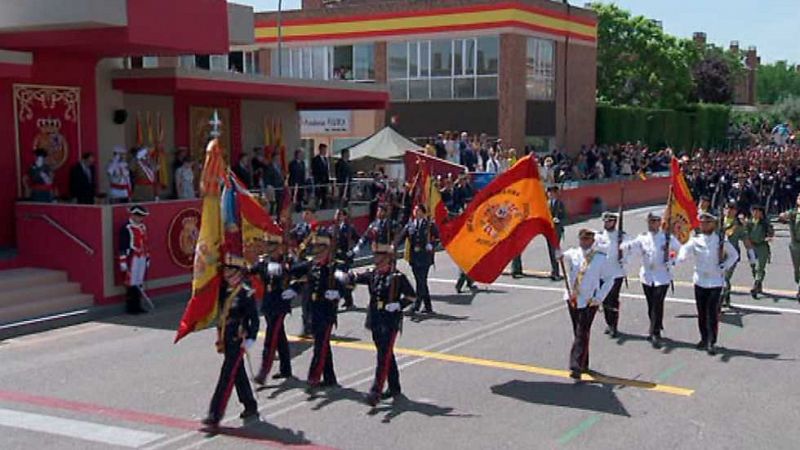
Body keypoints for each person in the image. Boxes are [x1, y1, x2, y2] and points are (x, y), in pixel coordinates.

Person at [351, 242, 416, 406]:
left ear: (387, 259)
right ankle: (394, 387)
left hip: (390, 321)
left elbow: (411, 297)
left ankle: (375, 392)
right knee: (386, 354)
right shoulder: (374, 275)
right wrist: (345, 276)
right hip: (375, 320)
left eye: (379, 257)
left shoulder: (397, 277)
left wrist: (398, 305)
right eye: (375, 256)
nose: (375, 259)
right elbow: (357, 278)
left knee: (382, 356)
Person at [202, 256, 260, 427]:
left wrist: (251, 337)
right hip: (226, 337)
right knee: (238, 372)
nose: (225, 273)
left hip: (237, 338)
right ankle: (250, 404)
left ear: (237, 271)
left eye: (229, 270)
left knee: (226, 375)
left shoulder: (246, 292)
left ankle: (215, 414)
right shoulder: (224, 289)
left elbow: (254, 319)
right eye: (225, 270)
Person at [290, 230, 347, 389]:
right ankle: (330, 377)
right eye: (314, 248)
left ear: (327, 249)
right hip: (314, 312)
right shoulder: (312, 265)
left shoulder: (336, 266)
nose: (315, 251)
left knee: (320, 346)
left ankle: (313, 377)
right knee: (323, 345)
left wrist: (338, 293)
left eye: (318, 248)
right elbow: (294, 270)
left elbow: (347, 283)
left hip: (327, 312)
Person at [676, 212, 738, 355]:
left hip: (715, 281)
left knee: (712, 312)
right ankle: (703, 338)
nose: (703, 225)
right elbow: (684, 250)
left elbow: (734, 255)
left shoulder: (721, 240)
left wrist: (725, 266)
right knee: (701, 312)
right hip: (700, 281)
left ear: (714, 224)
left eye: (707, 223)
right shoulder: (696, 240)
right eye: (702, 223)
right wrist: (678, 259)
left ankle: (711, 341)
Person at [559, 228, 615, 380]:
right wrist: (557, 254)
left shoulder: (600, 258)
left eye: (587, 239)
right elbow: (562, 258)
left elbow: (610, 279)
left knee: (582, 331)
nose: (584, 242)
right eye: (582, 239)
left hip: (590, 300)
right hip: (573, 298)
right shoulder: (573, 253)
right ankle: (584, 362)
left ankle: (575, 365)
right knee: (578, 331)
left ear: (593, 241)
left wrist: (600, 297)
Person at [622, 212, 681, 348]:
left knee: (657, 303)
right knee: (651, 304)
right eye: (650, 221)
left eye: (655, 221)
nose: (652, 224)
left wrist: (672, 260)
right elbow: (630, 246)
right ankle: (656, 325)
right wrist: (619, 244)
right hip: (647, 276)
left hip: (662, 275)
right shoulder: (642, 238)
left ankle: (654, 332)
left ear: (660, 223)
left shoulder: (667, 237)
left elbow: (680, 250)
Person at [252, 234, 295, 384]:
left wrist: (284, 270)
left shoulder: (287, 262)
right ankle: (286, 369)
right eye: (267, 245)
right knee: (280, 337)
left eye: (272, 246)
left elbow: (297, 275)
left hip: (280, 305)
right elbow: (250, 271)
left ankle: (264, 371)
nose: (269, 249)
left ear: (278, 247)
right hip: (268, 304)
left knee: (270, 339)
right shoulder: (264, 262)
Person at [394, 204, 439, 314]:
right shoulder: (410, 225)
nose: (416, 212)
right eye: (415, 210)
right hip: (414, 257)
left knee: (421, 281)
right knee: (421, 282)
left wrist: (432, 245)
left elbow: (437, 237)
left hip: (425, 257)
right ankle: (428, 306)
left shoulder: (429, 225)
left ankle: (416, 305)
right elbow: (401, 237)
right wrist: (393, 246)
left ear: (423, 212)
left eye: (418, 210)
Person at [594, 212, 627, 338]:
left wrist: (625, 258)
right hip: (602, 272)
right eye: (605, 221)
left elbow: (630, 248)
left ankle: (614, 325)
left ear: (615, 222)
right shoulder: (599, 235)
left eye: (610, 221)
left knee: (613, 299)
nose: (607, 223)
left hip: (616, 272)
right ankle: (609, 323)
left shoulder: (621, 236)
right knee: (605, 299)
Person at [118, 205, 150, 314]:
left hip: (141, 256)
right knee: (131, 282)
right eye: (138, 216)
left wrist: (148, 256)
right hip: (132, 257)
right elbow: (122, 245)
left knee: (139, 281)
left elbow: (145, 242)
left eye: (142, 216)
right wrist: (123, 261)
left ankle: (138, 305)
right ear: (133, 215)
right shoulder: (126, 228)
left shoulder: (143, 227)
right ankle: (131, 307)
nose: (140, 218)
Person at [330, 209, 360, 309]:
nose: (337, 216)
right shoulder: (332, 228)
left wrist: (353, 251)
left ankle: (346, 301)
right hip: (334, 258)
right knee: (335, 279)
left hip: (344, 258)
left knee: (343, 280)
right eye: (336, 214)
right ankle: (345, 300)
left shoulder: (349, 228)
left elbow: (358, 241)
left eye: (339, 214)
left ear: (344, 216)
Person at [721, 202, 748, 307]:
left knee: (725, 277)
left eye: (732, 209)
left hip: (732, 255)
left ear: (736, 211)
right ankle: (724, 295)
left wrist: (751, 255)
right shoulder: (717, 221)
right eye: (727, 208)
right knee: (720, 277)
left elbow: (745, 239)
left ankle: (724, 296)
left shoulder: (738, 225)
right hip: (718, 254)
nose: (729, 211)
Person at [745, 204, 774, 298]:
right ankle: (758, 282)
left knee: (759, 267)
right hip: (752, 247)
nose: (755, 213)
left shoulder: (765, 223)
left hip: (762, 246)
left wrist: (769, 236)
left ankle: (756, 285)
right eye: (754, 211)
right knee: (753, 267)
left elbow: (771, 232)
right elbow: (745, 233)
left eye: (758, 211)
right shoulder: (749, 223)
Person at [779, 193, 800, 302]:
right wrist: (783, 215)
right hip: (795, 244)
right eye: (799, 197)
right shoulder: (793, 212)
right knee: (797, 269)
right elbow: (782, 216)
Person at [311, 143, 331, 209]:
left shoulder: (326, 159)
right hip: (319, 182)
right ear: (320, 150)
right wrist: (317, 182)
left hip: (325, 182)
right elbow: (314, 172)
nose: (325, 151)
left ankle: (324, 208)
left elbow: (327, 171)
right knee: (318, 197)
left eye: (325, 150)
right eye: (324, 149)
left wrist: (328, 182)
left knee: (325, 197)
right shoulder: (315, 159)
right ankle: (317, 209)